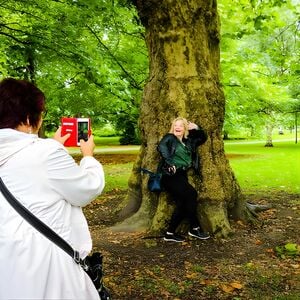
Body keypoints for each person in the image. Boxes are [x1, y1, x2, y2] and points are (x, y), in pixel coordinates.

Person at [0, 78, 105, 299]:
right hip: (45, 261)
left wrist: (54, 145)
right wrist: (88, 157)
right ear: (29, 119)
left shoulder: (41, 151)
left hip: (7, 259)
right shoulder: (45, 152)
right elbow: (87, 189)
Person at [157, 117, 210, 242]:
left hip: (182, 175)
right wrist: (170, 163)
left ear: (185, 128)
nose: (178, 127)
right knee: (192, 194)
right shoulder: (169, 138)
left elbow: (202, 138)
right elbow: (161, 147)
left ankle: (169, 234)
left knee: (182, 203)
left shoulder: (188, 141)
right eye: (176, 125)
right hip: (170, 175)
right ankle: (195, 228)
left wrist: (196, 128)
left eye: (181, 125)